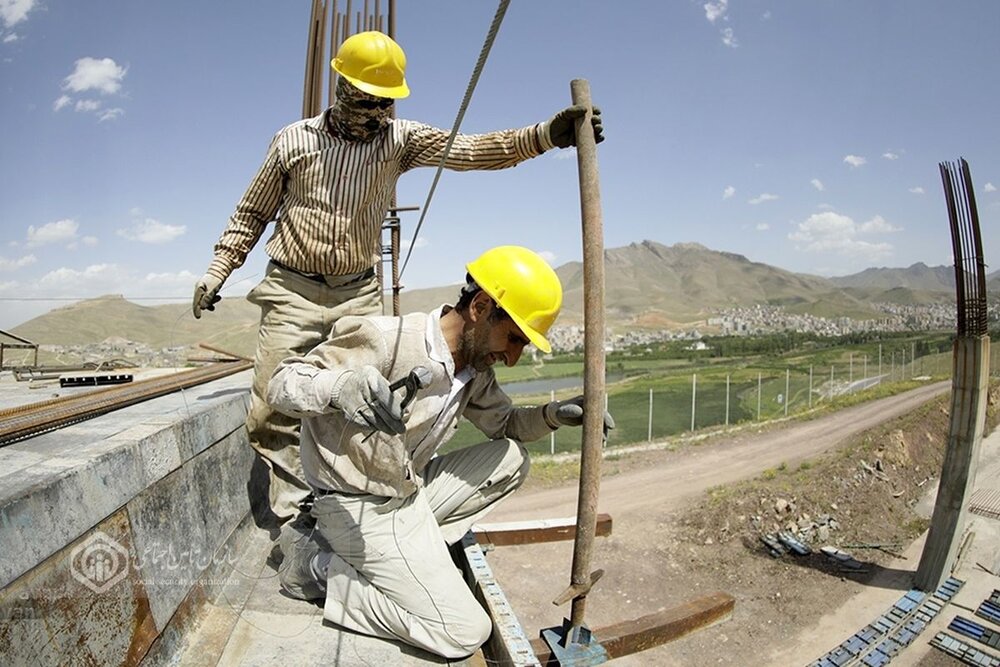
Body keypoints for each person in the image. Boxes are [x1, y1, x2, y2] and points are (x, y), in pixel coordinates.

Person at [191, 30, 604, 524]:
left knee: (370, 401)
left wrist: (543, 137)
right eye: (366, 100)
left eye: (384, 103)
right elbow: (251, 214)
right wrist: (219, 270)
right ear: (341, 86)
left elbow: (469, 151)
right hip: (293, 289)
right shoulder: (292, 140)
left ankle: (354, 502)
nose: (375, 113)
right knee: (269, 415)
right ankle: (294, 517)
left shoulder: (399, 140)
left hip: (358, 293)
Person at [265, 246, 614, 659]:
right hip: (355, 507)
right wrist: (341, 389)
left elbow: (506, 426)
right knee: (464, 630)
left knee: (511, 459)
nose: (515, 358)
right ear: (481, 307)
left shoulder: (474, 372)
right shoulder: (387, 340)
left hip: (405, 493)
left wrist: (555, 415)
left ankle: (415, 554)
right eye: (515, 338)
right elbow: (283, 383)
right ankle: (317, 568)